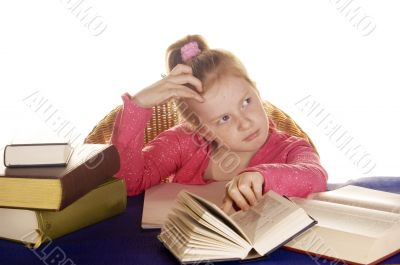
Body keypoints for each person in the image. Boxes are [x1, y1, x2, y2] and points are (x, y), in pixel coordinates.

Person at [111, 35, 328, 214]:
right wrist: (138, 105)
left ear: (256, 90)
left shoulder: (291, 148)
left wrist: (261, 176)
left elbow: (315, 177)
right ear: (200, 127)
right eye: (224, 118)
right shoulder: (184, 142)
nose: (245, 123)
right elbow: (129, 183)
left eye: (246, 102)